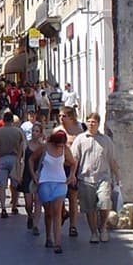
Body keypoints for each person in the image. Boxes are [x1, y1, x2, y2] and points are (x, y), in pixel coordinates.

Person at [71, 112, 119, 244]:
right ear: (86, 123)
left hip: (103, 177)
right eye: (89, 121)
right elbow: (74, 159)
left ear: (98, 124)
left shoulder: (106, 140)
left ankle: (103, 227)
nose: (91, 124)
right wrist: (72, 175)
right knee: (89, 208)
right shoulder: (80, 139)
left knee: (104, 203)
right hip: (85, 178)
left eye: (94, 122)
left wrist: (118, 177)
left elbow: (112, 160)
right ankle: (93, 232)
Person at [31, 127, 74, 253]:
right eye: (59, 143)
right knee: (48, 213)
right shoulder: (44, 147)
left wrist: (71, 176)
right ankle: (48, 236)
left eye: (63, 143)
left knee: (57, 213)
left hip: (60, 183)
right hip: (44, 182)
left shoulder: (65, 149)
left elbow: (73, 162)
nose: (61, 146)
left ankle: (57, 243)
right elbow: (31, 159)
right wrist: (34, 175)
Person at [0, 109, 24, 218]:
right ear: (12, 120)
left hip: (2, 158)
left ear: (3, 120)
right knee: (15, 184)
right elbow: (22, 146)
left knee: (2, 185)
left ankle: (3, 208)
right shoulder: (18, 131)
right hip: (14, 158)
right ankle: (14, 205)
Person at [59, 107, 84, 236]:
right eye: (60, 116)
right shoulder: (57, 131)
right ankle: (63, 212)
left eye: (64, 116)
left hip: (74, 166)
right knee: (60, 196)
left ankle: (73, 226)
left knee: (73, 197)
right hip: (60, 167)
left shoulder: (80, 130)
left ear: (71, 117)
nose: (61, 118)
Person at [22, 118, 46, 234]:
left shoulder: (43, 147)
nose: (35, 133)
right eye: (33, 131)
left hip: (39, 175)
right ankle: (30, 216)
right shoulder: (26, 145)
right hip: (27, 174)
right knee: (28, 203)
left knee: (38, 201)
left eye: (37, 131)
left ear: (41, 133)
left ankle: (35, 225)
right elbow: (20, 159)